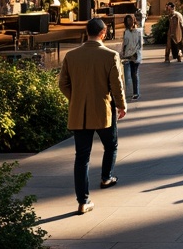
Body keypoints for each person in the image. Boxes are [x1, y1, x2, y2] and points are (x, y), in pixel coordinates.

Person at [58, 17, 126, 214]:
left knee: (82, 158)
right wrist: (121, 106)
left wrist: (76, 99)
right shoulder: (110, 56)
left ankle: (83, 201)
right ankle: (106, 177)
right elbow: (117, 85)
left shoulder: (71, 56)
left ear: (86, 32)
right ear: (103, 33)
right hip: (103, 111)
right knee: (111, 144)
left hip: (79, 114)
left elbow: (63, 84)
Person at [121, 13, 142, 100]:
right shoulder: (125, 32)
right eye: (127, 20)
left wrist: (135, 54)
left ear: (133, 21)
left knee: (134, 74)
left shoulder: (138, 31)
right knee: (126, 75)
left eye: (130, 20)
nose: (129, 22)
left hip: (135, 55)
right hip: (127, 55)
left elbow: (140, 44)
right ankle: (127, 92)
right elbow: (124, 44)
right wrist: (122, 53)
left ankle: (135, 92)